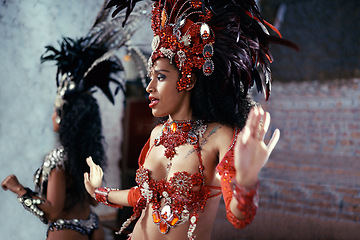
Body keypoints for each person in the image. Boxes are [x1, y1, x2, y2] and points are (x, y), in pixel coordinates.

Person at [84, 0, 298, 239]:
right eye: (150, 77)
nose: (149, 87)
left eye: (161, 77)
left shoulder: (219, 135)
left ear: (188, 80)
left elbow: (239, 216)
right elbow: (141, 195)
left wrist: (247, 181)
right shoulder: (157, 135)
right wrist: (99, 192)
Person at [0, 5, 126, 238]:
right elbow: (94, 201)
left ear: (65, 118)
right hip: (94, 228)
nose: (52, 115)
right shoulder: (89, 155)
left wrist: (18, 188)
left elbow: (51, 212)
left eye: (56, 109)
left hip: (67, 232)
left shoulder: (60, 159)